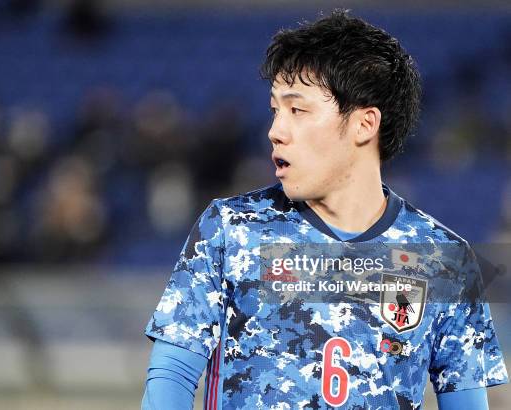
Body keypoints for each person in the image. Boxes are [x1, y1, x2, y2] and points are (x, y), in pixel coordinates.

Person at [142, 10, 508, 410]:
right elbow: (171, 376)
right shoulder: (231, 230)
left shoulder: (443, 259)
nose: (276, 130)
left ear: (364, 124)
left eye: (297, 110)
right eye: (274, 110)